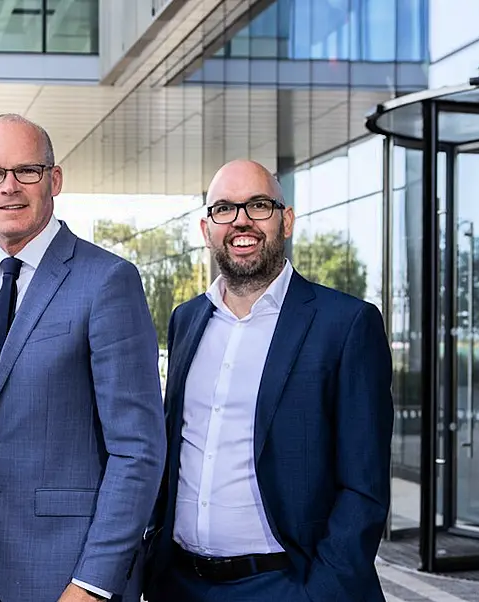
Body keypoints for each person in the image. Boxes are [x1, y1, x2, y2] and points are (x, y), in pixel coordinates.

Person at [144, 160, 393, 602]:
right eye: (224, 209)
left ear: (287, 220)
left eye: (258, 205)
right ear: (207, 228)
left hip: (287, 586)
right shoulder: (186, 320)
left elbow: (364, 485)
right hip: (180, 584)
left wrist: (322, 593)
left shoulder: (346, 324)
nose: (241, 220)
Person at [0, 114, 166, 602]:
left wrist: (92, 584)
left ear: (54, 180)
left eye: (27, 171)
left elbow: (138, 450)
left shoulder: (107, 281)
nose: (9, 187)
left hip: (70, 578)